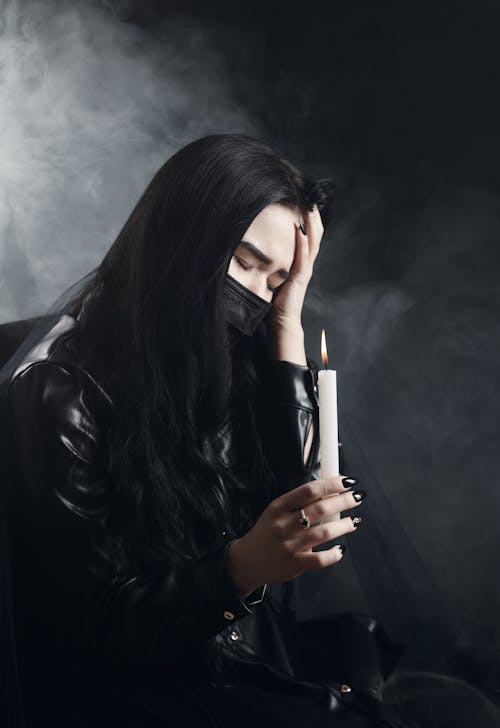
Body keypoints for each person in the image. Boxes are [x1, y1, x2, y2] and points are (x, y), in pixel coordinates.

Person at [1, 134, 499, 727]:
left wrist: (286, 322)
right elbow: (99, 629)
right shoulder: (61, 390)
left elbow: (306, 488)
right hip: (134, 687)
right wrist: (240, 567)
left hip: (232, 651)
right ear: (181, 241)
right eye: (243, 262)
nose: (254, 297)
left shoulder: (233, 361)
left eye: (276, 279)